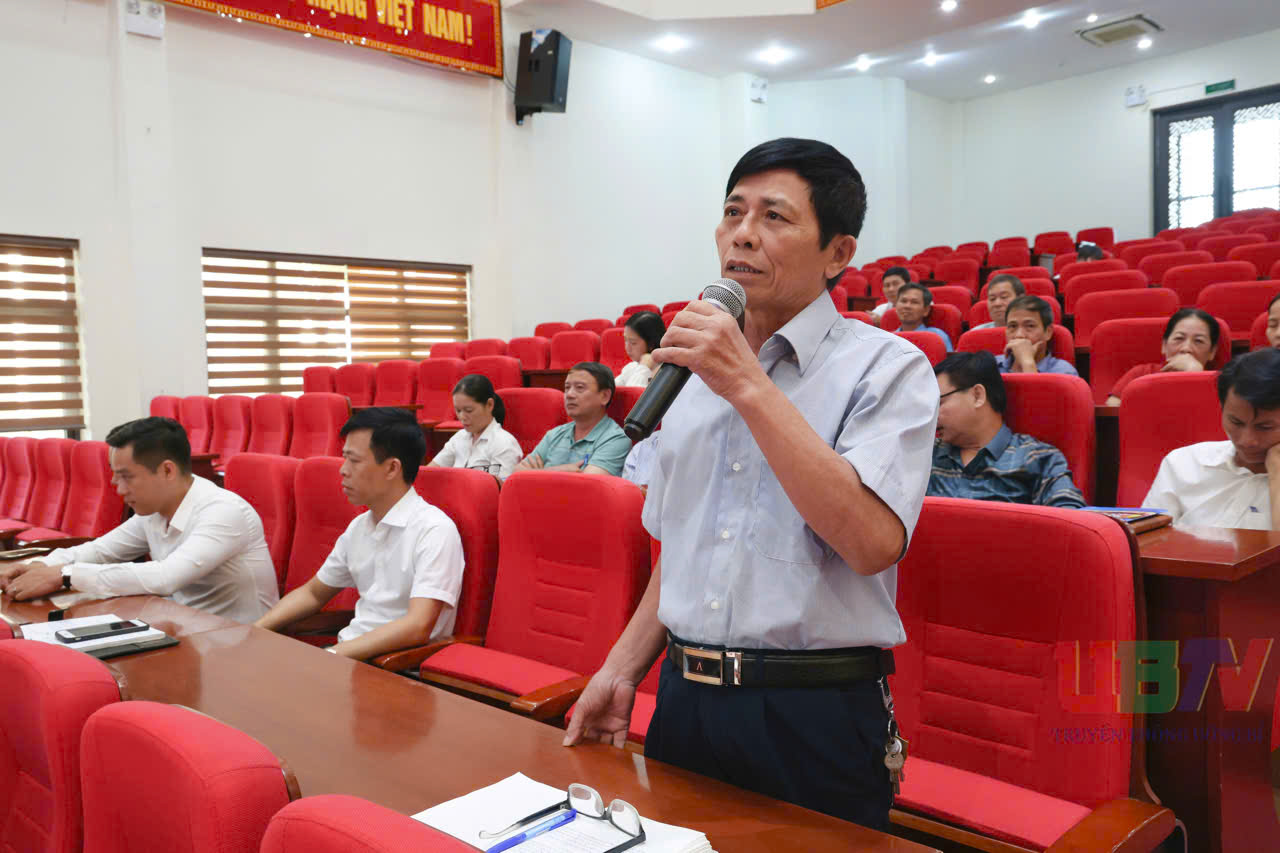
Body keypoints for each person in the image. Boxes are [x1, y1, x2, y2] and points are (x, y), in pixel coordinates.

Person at [562, 137, 939, 832]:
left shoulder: (888, 368)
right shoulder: (688, 374)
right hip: (685, 698)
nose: (742, 233)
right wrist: (621, 667)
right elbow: (683, 548)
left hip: (814, 713)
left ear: (838, 252)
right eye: (734, 212)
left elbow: (871, 542)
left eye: (774, 216)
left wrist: (746, 384)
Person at [0, 417, 278, 622]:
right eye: (115, 476)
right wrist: (39, 566)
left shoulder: (223, 511)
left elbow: (165, 577)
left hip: (239, 643)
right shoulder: (155, 509)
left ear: (167, 471)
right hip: (184, 629)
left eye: (127, 477)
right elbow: (99, 551)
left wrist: (64, 575)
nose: (119, 489)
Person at [255, 407, 464, 659]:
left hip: (395, 667)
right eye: (344, 458)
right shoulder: (359, 526)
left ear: (392, 468)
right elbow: (313, 593)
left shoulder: (434, 530)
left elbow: (417, 626)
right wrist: (255, 630)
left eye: (354, 461)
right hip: (349, 656)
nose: (343, 470)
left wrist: (329, 656)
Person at [1143, 349, 1280, 530]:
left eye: (1265, 427)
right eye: (1236, 422)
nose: (1247, 441)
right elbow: (1144, 540)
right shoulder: (1184, 463)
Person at [928, 352, 1084, 508]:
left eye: (939, 403)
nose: (931, 414)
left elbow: (1070, 516)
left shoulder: (1037, 457)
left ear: (977, 396)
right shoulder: (927, 454)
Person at [515, 362, 632, 476]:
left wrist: (537, 473)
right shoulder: (555, 434)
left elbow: (588, 483)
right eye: (567, 388)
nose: (569, 394)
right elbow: (517, 474)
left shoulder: (616, 439)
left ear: (605, 396)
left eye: (579, 388)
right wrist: (561, 470)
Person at [1105, 308, 1220, 405]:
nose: (1186, 348)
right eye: (1179, 338)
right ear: (1164, 345)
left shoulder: (1220, 383)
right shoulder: (1140, 374)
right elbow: (1112, 409)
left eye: (1199, 341)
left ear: (1212, 352)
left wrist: (1195, 374)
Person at [429, 374, 522, 481]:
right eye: (458, 411)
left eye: (469, 410)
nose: (462, 417)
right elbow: (431, 471)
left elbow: (501, 488)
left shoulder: (504, 443)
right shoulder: (459, 438)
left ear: (489, 405)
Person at [996, 294, 1077, 375]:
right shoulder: (993, 364)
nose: (1019, 335)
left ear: (1048, 332)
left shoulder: (1063, 371)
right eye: (1013, 326)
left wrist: (1027, 363)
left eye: (1030, 326)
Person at [894, 282, 953, 351]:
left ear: (926, 310)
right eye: (903, 301)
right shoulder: (888, 337)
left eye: (914, 302)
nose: (907, 306)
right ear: (896, 307)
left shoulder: (937, 336)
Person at [616, 311, 666, 387]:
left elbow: (634, 393)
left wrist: (644, 367)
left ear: (651, 344)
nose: (627, 348)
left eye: (633, 343)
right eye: (625, 340)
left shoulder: (665, 371)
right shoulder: (632, 366)